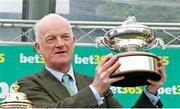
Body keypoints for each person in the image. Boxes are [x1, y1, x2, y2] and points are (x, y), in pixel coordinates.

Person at [17, 13, 166, 108]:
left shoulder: (93, 83)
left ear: (73, 42)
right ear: (38, 47)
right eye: (51, 39)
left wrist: (151, 92)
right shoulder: (27, 85)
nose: (60, 44)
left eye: (65, 37)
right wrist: (95, 90)